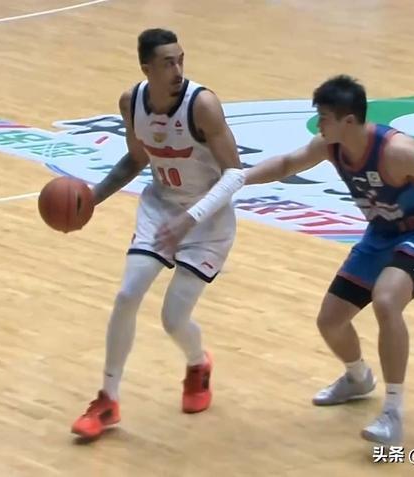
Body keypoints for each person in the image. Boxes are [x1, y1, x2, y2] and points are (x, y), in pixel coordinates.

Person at [243, 75, 414, 445]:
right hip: (381, 234)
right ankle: (357, 378)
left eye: (324, 118)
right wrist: (239, 179)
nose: (319, 125)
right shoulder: (330, 145)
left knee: (386, 300)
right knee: (330, 321)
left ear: (348, 121)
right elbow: (287, 163)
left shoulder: (398, 152)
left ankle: (393, 411)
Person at [71, 28, 245, 440]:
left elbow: (235, 174)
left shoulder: (202, 105)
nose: (178, 70)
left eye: (181, 60)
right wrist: (93, 198)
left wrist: (191, 218)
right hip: (161, 208)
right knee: (127, 295)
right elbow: (135, 160)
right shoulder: (132, 102)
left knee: (173, 318)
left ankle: (198, 364)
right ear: (146, 68)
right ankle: (108, 399)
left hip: (208, 220)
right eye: (168, 63)